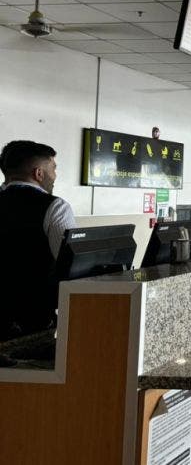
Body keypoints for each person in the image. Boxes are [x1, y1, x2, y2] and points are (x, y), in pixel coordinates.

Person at [0, 141, 77, 365]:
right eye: (53, 168)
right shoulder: (56, 208)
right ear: (38, 173)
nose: (55, 175)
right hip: (32, 325)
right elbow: (69, 267)